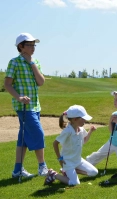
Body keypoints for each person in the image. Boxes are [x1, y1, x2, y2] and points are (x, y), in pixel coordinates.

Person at [5, 33, 48, 178]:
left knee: (23, 137)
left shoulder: (35, 62)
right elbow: (7, 84)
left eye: (33, 44)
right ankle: (42, 166)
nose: (33, 47)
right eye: (29, 45)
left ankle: (17, 170)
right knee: (38, 133)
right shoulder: (14, 62)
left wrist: (32, 63)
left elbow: (41, 82)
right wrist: (19, 97)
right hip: (23, 106)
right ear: (21, 47)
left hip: (36, 106)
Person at [44, 105, 98, 185]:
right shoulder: (67, 131)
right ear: (75, 119)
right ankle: (53, 174)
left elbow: (84, 141)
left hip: (78, 160)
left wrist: (90, 131)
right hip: (67, 161)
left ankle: (65, 171)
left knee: (94, 172)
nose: (85, 121)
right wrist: (60, 159)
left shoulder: (81, 129)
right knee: (75, 183)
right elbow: (55, 143)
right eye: (83, 119)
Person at [86, 88, 117, 166]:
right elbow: (111, 131)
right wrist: (110, 121)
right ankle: (86, 164)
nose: (114, 101)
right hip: (112, 142)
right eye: (115, 99)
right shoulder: (114, 114)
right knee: (99, 154)